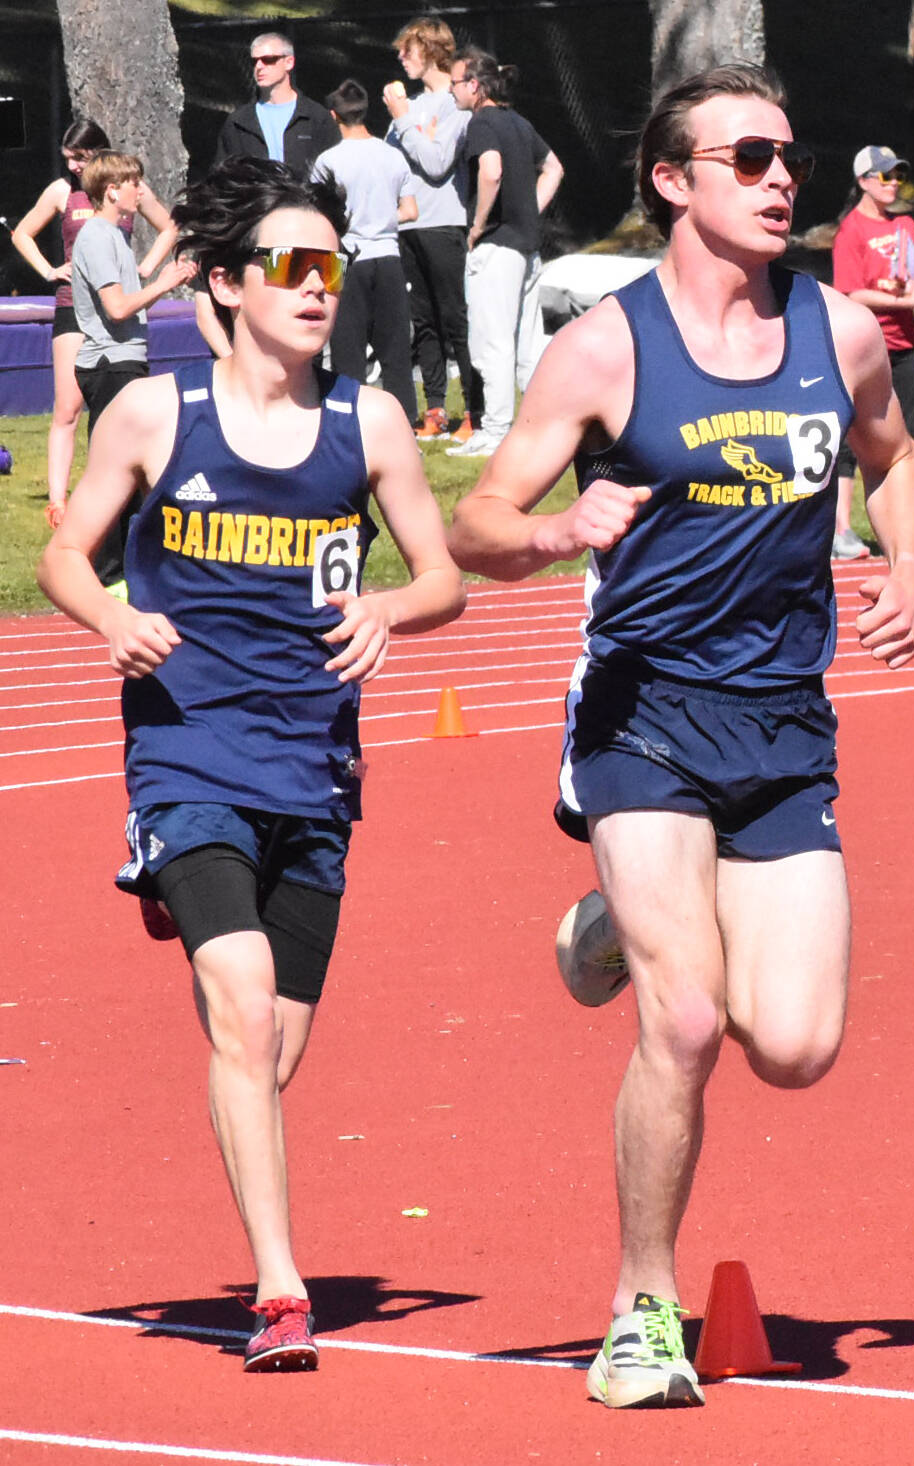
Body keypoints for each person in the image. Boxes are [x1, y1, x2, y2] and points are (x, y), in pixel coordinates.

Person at [448, 63, 914, 1408]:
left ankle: (602, 921)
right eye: (750, 158)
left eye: (792, 156)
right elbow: (473, 522)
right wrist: (547, 531)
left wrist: (906, 568)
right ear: (672, 179)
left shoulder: (833, 331)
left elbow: (891, 453)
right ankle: (639, 1311)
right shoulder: (606, 347)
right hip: (641, 713)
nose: (784, 179)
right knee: (683, 1018)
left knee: (793, 1043)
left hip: (780, 718)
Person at [37, 156, 466, 1372]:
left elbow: (442, 578)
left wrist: (395, 605)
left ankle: (199, 913)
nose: (316, 286)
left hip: (314, 764)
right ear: (225, 284)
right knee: (236, 1002)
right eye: (288, 266)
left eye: (328, 264)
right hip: (187, 746)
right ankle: (280, 1289)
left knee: (269, 1056)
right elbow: (65, 556)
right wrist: (113, 618)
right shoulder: (154, 414)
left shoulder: (365, 421)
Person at [10, 118, 177, 528]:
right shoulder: (62, 192)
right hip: (74, 305)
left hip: (116, 307)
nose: (73, 168)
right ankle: (58, 499)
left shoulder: (126, 189)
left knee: (116, 410)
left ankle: (113, 491)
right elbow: (22, 233)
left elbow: (170, 224)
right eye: (67, 160)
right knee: (67, 407)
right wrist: (49, 270)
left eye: (79, 159)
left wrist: (147, 267)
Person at [71, 151, 197, 591]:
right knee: (114, 468)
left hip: (126, 360)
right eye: (133, 184)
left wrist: (167, 277)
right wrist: (164, 284)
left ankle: (129, 566)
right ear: (112, 191)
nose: (140, 192)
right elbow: (118, 307)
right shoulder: (97, 237)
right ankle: (107, 575)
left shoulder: (116, 237)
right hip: (110, 365)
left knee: (135, 467)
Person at [831, 144, 914, 559]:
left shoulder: (906, 225)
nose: (893, 184)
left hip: (905, 346)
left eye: (897, 176)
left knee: (911, 435)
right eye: (884, 176)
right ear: (863, 182)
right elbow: (851, 291)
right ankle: (840, 531)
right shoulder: (851, 231)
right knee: (853, 440)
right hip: (866, 347)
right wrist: (901, 302)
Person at [445, 48, 564, 459]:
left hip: (497, 247)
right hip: (528, 248)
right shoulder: (518, 121)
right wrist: (529, 210)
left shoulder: (481, 123)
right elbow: (554, 167)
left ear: (474, 87)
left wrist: (478, 225)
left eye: (456, 84)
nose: (452, 92)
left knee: (490, 343)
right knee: (528, 344)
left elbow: (490, 170)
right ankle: (539, 428)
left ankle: (496, 432)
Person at [383, 15, 476, 442]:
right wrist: (402, 119)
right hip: (407, 227)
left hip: (444, 223)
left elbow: (438, 164)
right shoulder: (410, 107)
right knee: (424, 321)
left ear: (431, 50)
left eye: (408, 49)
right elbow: (391, 163)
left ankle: (474, 408)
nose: (401, 58)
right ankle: (435, 407)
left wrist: (403, 119)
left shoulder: (455, 106)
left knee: (455, 318)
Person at [313, 80, 419, 425]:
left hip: (347, 258)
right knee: (395, 350)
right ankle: (404, 424)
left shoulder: (328, 161)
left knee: (347, 350)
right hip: (388, 255)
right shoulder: (392, 155)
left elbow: (321, 215)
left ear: (334, 116)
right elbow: (411, 211)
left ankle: (349, 422)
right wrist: (384, 216)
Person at [214, 31, 339, 180]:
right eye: (254, 61)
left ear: (289, 62)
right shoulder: (238, 122)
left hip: (303, 202)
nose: (259, 66)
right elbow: (222, 177)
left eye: (268, 60)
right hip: (257, 202)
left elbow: (335, 173)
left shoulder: (317, 117)